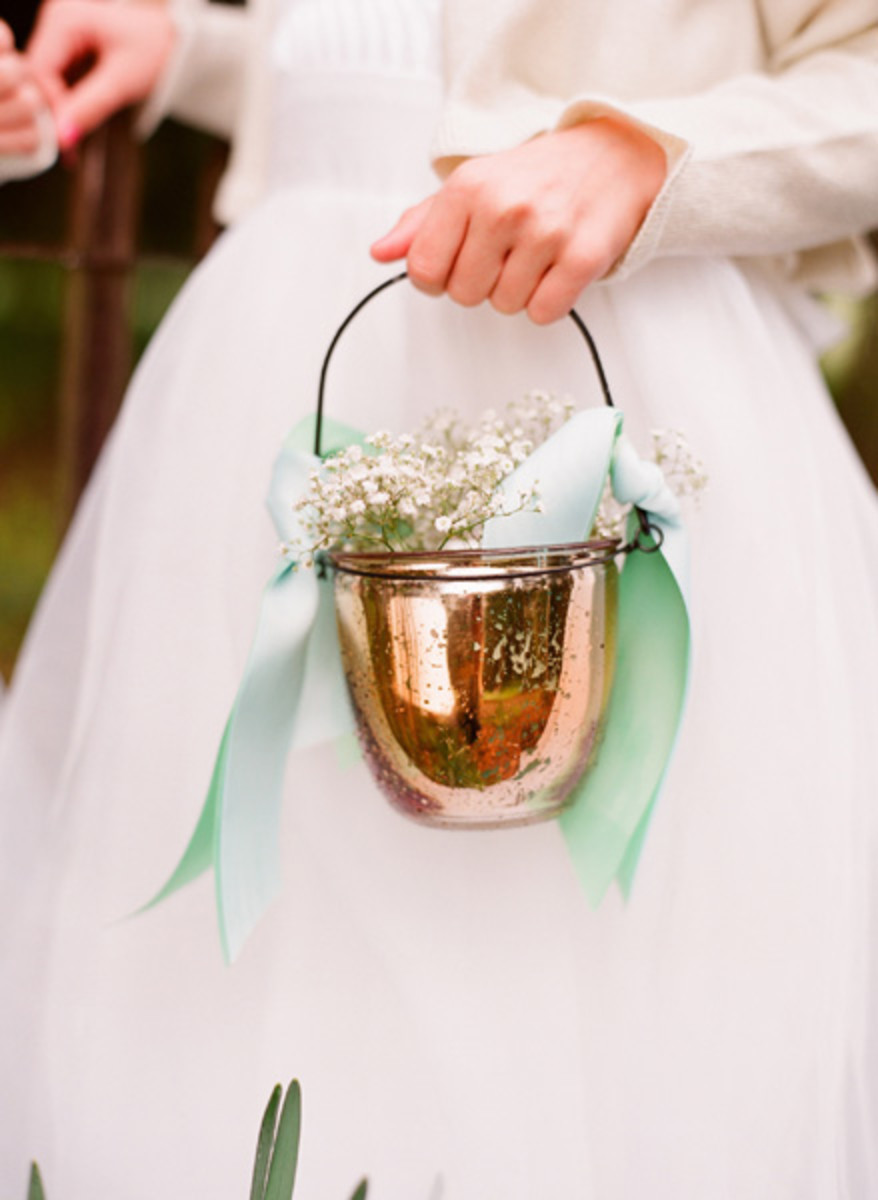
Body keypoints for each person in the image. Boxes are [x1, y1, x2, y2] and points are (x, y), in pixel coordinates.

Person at [2, 0, 878, 1197]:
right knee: (247, 992)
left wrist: (649, 154)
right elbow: (396, 59)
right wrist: (200, 53)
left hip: (602, 385)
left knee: (564, 997)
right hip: (269, 387)